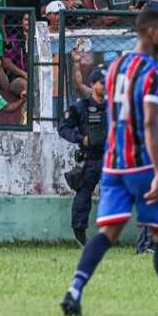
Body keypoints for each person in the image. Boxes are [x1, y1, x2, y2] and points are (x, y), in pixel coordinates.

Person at [59, 9, 158, 316]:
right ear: (148, 31)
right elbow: (149, 123)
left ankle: (74, 291)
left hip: (113, 163)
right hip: (143, 164)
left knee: (108, 231)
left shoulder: (115, 66)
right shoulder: (153, 72)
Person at [58, 66, 108, 246]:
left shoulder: (115, 107)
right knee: (83, 196)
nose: (106, 86)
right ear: (92, 85)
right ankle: (79, 234)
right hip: (90, 158)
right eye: (102, 83)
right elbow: (64, 128)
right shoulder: (82, 107)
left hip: (111, 158)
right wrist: (81, 138)